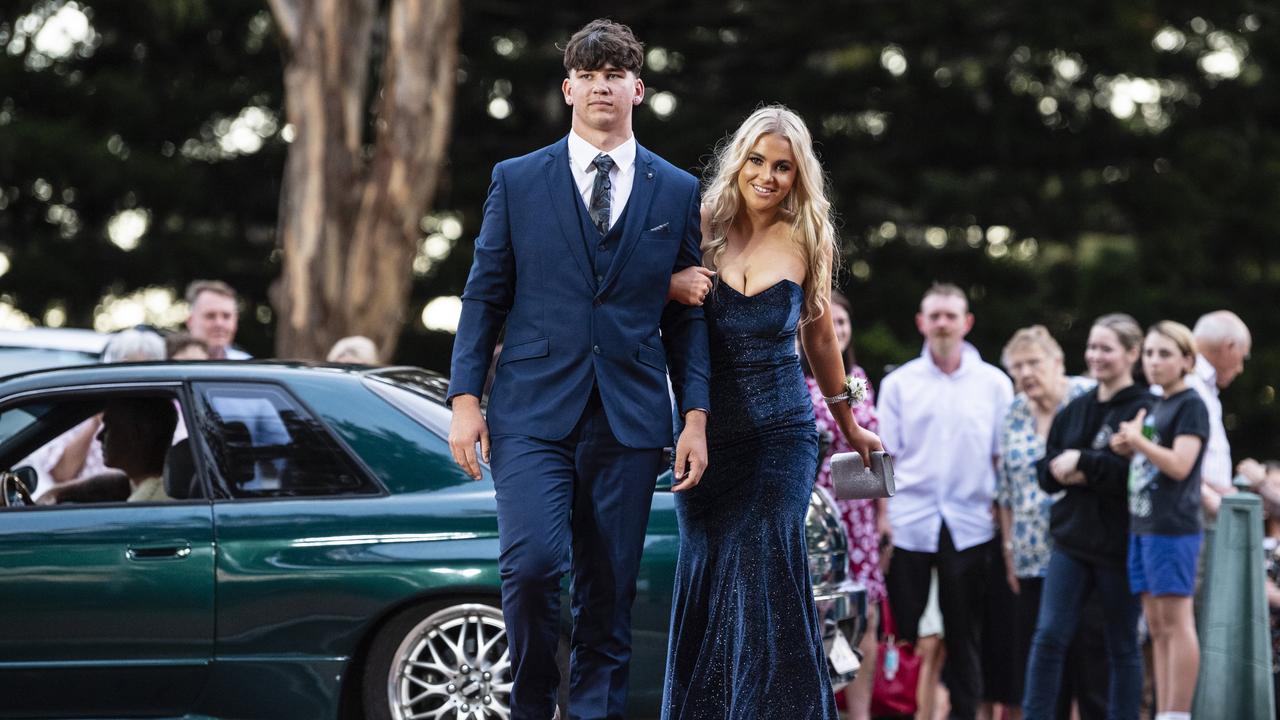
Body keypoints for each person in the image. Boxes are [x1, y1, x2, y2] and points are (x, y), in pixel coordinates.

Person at [445, 20, 711, 720]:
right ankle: (532, 707)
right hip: (530, 411)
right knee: (532, 571)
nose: (602, 84)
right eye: (589, 73)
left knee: (609, 593)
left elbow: (688, 315)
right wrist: (465, 398)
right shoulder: (517, 179)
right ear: (568, 88)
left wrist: (694, 416)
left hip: (628, 415)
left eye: (616, 73)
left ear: (638, 89)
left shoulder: (678, 190)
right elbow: (485, 293)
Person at [661, 105, 880, 719]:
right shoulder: (700, 223)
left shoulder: (810, 235)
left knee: (761, 563)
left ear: (797, 173)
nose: (767, 176)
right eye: (757, 161)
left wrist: (849, 424)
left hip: (783, 435)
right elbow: (655, 311)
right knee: (710, 572)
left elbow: (820, 339)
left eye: (782, 167)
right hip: (707, 433)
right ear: (740, 159)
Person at [875, 282, 1013, 720]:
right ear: (921, 322)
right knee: (903, 634)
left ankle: (964, 714)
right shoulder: (899, 384)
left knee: (965, 636)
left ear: (967, 322)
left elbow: (1002, 458)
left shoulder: (995, 384)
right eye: (934, 315)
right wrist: (883, 518)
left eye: (951, 315)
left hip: (971, 524)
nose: (942, 323)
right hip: (909, 522)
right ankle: (895, 711)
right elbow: (883, 458)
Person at [1022, 313, 1154, 720]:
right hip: (1071, 543)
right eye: (1092, 347)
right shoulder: (1074, 409)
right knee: (1048, 638)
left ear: (1132, 354)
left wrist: (1083, 463)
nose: (1095, 356)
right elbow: (1045, 474)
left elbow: (1136, 475)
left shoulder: (1146, 409)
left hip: (1119, 545)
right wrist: (1081, 465)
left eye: (1106, 348)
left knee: (1120, 646)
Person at [997, 326, 1102, 719]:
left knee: (1088, 654)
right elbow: (1005, 489)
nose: (1025, 373)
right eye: (1017, 367)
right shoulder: (1014, 411)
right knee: (1041, 655)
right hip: (1028, 552)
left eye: (1033, 363)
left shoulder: (1086, 398)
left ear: (1057, 362)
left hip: (1082, 547)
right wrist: (1008, 549)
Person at [1112, 321, 1208, 720]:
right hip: (1143, 525)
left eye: (1164, 354)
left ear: (1187, 360)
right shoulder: (1155, 403)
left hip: (1173, 527)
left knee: (1176, 620)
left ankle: (1176, 712)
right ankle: (1163, 711)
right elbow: (1150, 458)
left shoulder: (1191, 404)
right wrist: (1129, 447)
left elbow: (1180, 465)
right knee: (1155, 625)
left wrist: (1139, 443)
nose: (1154, 362)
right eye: (1149, 353)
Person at [23, 328, 166, 500]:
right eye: (125, 372)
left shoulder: (167, 416)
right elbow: (62, 473)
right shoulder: (84, 412)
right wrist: (95, 421)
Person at [38, 397, 178, 504]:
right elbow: (118, 483)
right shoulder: (155, 485)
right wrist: (59, 492)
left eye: (109, 427)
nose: (99, 436)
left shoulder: (144, 503)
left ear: (136, 435)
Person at [1189, 310, 1251, 520]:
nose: (1241, 368)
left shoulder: (1205, 387)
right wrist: (1209, 496)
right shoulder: (1185, 381)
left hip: (1205, 508)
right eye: (1243, 357)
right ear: (1229, 346)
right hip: (1190, 510)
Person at [185, 279, 250, 359]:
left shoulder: (247, 366)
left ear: (235, 322)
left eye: (226, 316)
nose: (219, 324)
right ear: (190, 321)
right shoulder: (170, 366)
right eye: (210, 316)